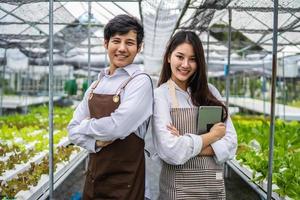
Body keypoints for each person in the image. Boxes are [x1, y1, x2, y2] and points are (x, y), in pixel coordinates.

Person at [68, 14, 153, 200]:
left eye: (129, 42)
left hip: (125, 184)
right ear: (105, 43)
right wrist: (95, 143)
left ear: (139, 47)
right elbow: (71, 130)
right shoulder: (95, 85)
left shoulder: (140, 82)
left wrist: (84, 127)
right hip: (93, 180)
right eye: (116, 41)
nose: (122, 48)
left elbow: (117, 127)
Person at [152, 30, 237, 199]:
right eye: (180, 57)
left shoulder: (211, 92)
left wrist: (185, 142)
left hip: (213, 187)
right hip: (178, 190)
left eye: (192, 59)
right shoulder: (160, 95)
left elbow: (231, 144)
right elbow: (171, 151)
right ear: (169, 57)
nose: (185, 64)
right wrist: (213, 136)